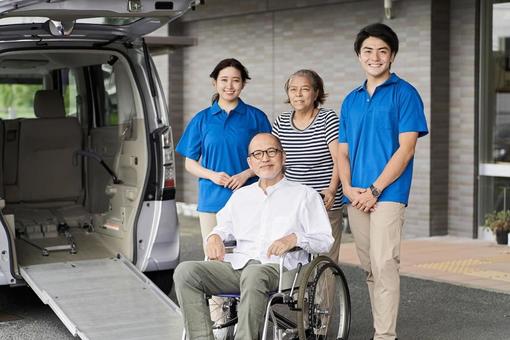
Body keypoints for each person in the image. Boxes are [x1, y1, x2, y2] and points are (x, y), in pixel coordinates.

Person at [174, 133, 333, 340]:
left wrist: (295, 238)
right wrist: (214, 237)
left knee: (255, 274)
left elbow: (325, 240)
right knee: (186, 271)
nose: (265, 158)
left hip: (281, 269)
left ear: (283, 157)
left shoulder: (304, 195)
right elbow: (223, 227)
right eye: (257, 154)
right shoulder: (241, 196)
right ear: (250, 162)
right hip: (239, 266)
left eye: (271, 152)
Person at [337, 23, 428, 340]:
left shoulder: (405, 94)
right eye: (367, 51)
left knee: (385, 262)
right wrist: (348, 189)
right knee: (370, 269)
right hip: (356, 195)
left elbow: (407, 149)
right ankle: (382, 329)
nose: (374, 57)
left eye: (382, 51)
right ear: (359, 56)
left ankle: (385, 336)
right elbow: (342, 152)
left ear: (392, 56)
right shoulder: (351, 100)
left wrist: (375, 190)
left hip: (388, 194)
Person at [176, 58, 272, 251]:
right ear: (215, 82)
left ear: (243, 84)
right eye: (224, 80)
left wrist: (246, 174)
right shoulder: (201, 119)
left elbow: (269, 158)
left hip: (249, 197)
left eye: (236, 80)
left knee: (248, 254)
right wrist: (213, 175)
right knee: (215, 256)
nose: (229, 86)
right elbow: (189, 163)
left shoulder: (256, 117)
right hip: (212, 199)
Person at [272, 69, 343, 264]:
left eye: (304, 89)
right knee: (293, 261)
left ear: (316, 93)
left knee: (323, 263)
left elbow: (339, 159)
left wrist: (331, 188)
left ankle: (324, 297)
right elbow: (276, 160)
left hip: (324, 201)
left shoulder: (327, 119)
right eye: (293, 89)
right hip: (292, 204)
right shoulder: (281, 122)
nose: (298, 94)